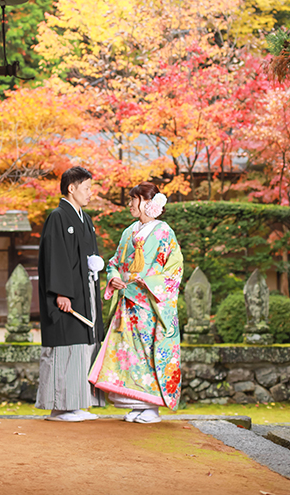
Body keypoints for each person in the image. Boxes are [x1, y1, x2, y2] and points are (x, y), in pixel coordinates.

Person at [89, 182, 183, 423]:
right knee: (128, 356)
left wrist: (146, 282)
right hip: (127, 305)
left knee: (147, 356)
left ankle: (151, 408)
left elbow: (174, 271)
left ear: (148, 203)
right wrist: (115, 278)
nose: (130, 204)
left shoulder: (164, 232)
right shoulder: (129, 232)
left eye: (134, 199)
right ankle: (137, 405)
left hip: (150, 306)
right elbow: (114, 262)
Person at [35, 166, 106, 421]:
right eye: (86, 188)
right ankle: (60, 406)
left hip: (85, 291)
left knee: (84, 345)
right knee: (66, 347)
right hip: (66, 296)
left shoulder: (84, 219)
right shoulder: (58, 217)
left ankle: (76, 404)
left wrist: (95, 264)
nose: (90, 193)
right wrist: (60, 292)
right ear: (71, 188)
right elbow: (55, 257)